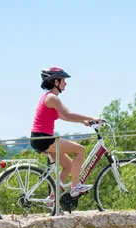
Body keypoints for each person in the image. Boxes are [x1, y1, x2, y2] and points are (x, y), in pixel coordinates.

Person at [32, 67, 103, 198]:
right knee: (80, 150)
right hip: (44, 139)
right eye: (63, 80)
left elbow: (62, 116)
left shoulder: (48, 98)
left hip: (40, 139)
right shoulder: (53, 98)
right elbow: (68, 114)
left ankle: (52, 199)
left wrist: (83, 121)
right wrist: (92, 118)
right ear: (56, 82)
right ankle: (75, 187)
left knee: (68, 165)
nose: (66, 83)